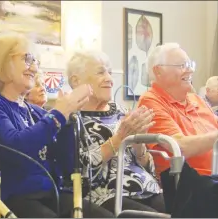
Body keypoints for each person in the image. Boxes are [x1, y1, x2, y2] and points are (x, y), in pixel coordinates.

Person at [0, 34, 114, 218]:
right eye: (27, 59)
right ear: (1, 62)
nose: (34, 67)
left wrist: (68, 121)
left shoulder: (35, 111)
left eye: (36, 61)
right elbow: (15, 149)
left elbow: (68, 164)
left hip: (49, 195)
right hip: (8, 198)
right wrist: (59, 115)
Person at [55, 50, 165, 214]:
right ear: (76, 81)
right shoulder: (70, 119)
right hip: (105, 196)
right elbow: (82, 174)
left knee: (187, 210)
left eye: (110, 72)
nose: (109, 79)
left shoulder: (122, 112)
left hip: (147, 189)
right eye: (101, 72)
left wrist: (138, 144)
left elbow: (147, 167)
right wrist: (119, 138)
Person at [138, 43, 218, 177]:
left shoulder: (195, 99)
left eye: (190, 65)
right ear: (158, 71)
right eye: (182, 65)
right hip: (190, 184)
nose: (190, 71)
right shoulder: (150, 102)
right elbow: (180, 147)